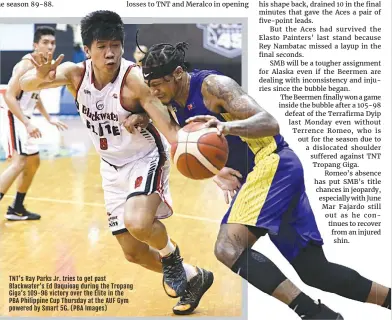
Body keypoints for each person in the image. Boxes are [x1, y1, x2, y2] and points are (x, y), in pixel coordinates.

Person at [125, 41, 391, 319]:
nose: (154, 91)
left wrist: (228, 126)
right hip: (267, 178)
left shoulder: (214, 86)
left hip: (273, 164)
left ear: (178, 73)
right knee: (317, 272)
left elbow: (270, 122)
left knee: (228, 248)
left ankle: (315, 315)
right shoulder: (172, 102)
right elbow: (183, 135)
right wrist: (144, 117)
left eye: (158, 84)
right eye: (150, 85)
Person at [19, 11, 213, 315]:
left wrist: (217, 167)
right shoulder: (74, 73)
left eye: (115, 45)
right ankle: (195, 276)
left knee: (138, 223)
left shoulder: (134, 79)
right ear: (87, 50)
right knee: (133, 253)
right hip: (110, 165)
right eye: (101, 46)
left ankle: (170, 256)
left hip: (145, 158)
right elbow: (26, 85)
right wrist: (40, 77)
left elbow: (171, 131)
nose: (110, 53)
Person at [0, 26, 68, 221]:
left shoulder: (46, 65)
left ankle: (16, 208)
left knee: (33, 162)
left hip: (24, 118)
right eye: (45, 42)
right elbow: (10, 97)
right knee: (19, 162)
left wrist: (48, 118)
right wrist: (27, 124)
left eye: (52, 43)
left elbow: (34, 95)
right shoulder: (26, 65)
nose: (50, 46)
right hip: (13, 115)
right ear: (35, 45)